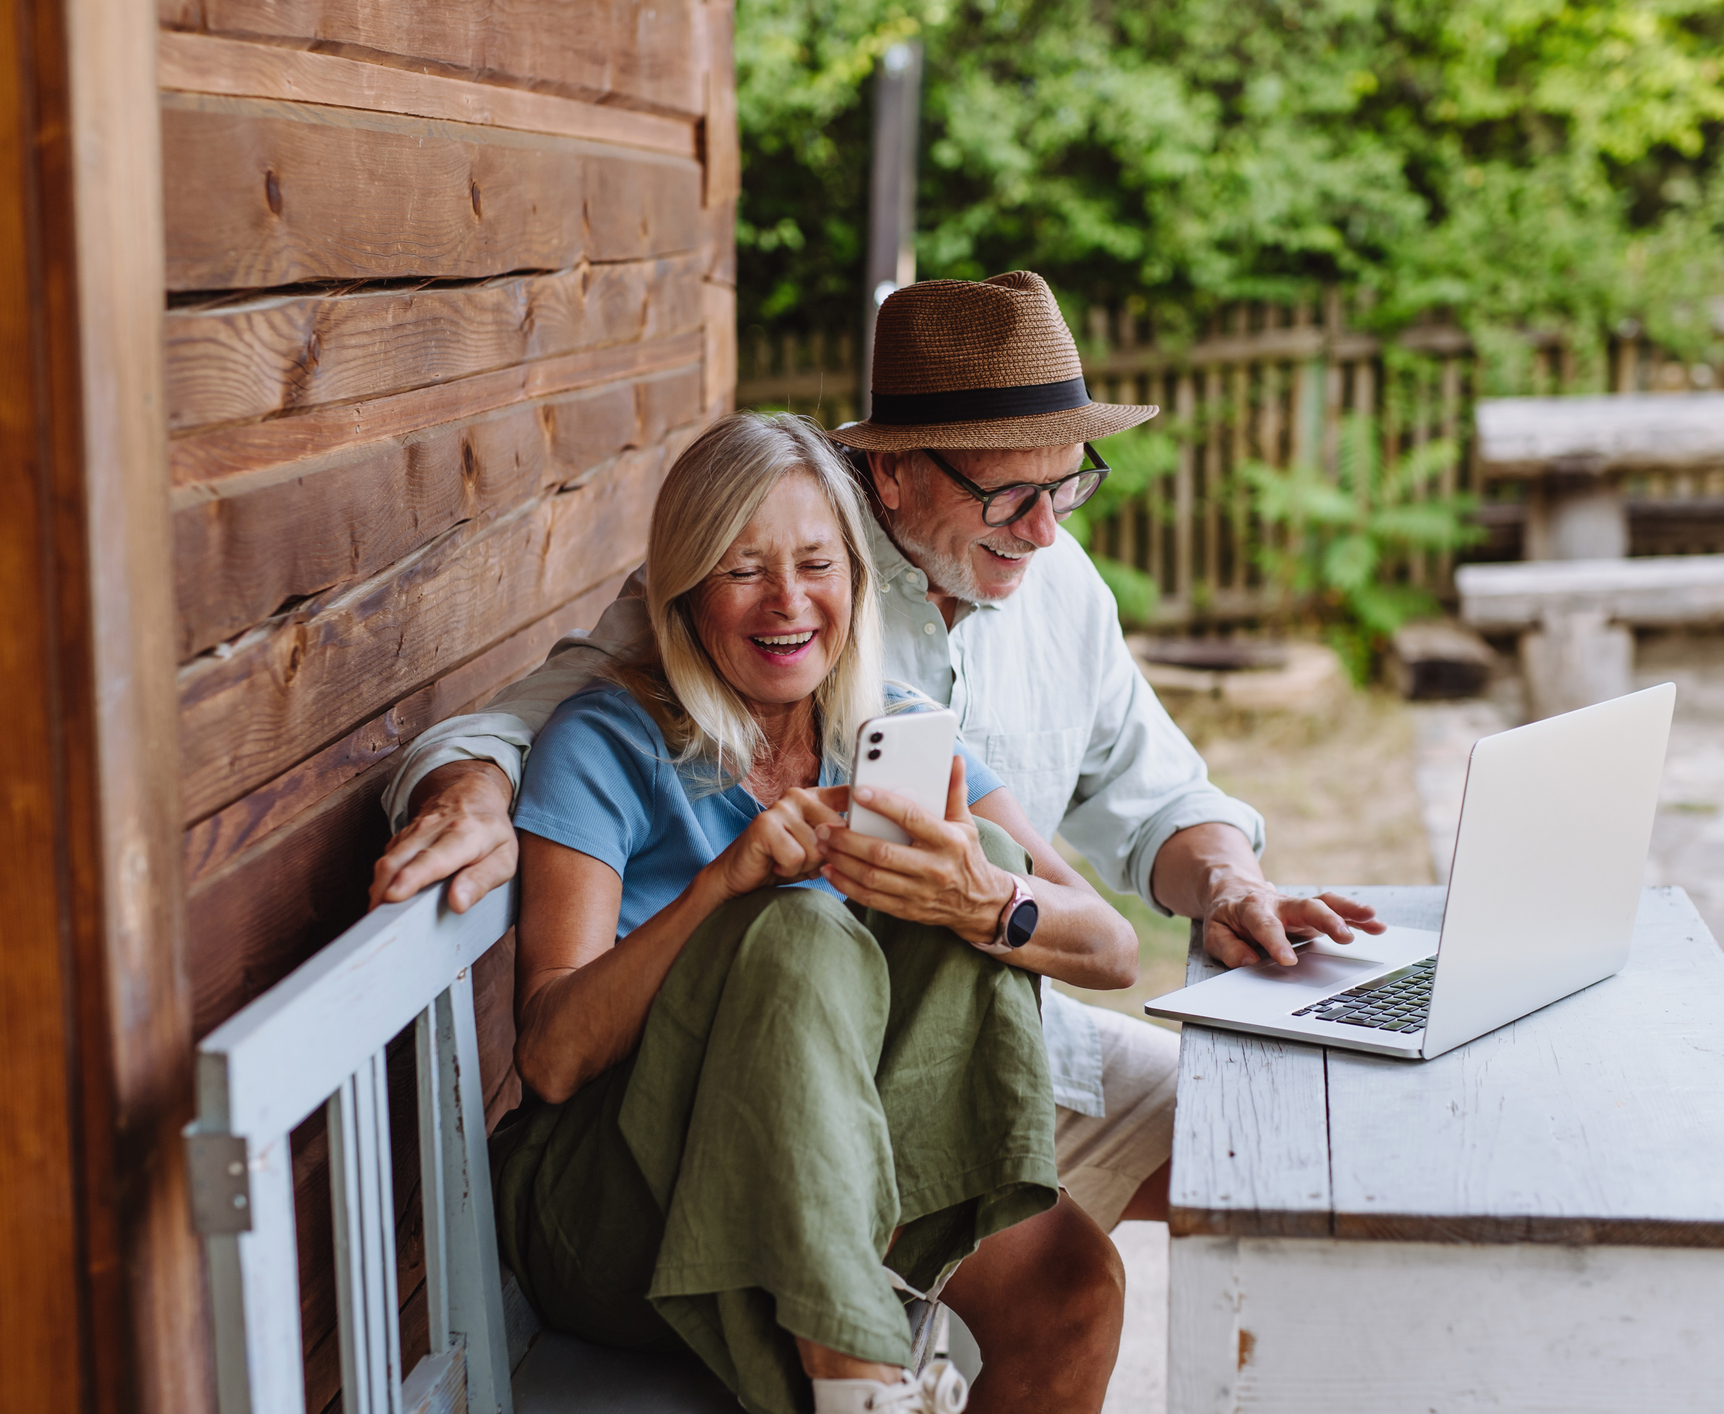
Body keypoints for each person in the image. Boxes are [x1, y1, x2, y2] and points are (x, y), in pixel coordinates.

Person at [373, 271, 1385, 1382]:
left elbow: (1147, 830)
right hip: (691, 1123)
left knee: (1261, 1161)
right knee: (802, 929)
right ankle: (858, 1354)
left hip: (960, 1064)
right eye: (1009, 494)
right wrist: (469, 777)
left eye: (1069, 486)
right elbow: (558, 708)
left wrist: (1206, 883)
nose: (1045, 527)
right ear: (891, 478)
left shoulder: (996, 635)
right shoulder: (692, 651)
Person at [499, 412, 1138, 1414]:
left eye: (815, 563)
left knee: (1074, 1288)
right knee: (796, 924)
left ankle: (853, 1295)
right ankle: (859, 1374)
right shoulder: (607, 742)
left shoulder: (899, 732)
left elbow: (1113, 945)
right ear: (684, 590)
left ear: (855, 574)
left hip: (850, 1170)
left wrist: (981, 898)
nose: (788, 602)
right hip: (620, 1204)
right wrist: (726, 884)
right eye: (743, 568)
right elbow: (550, 1055)